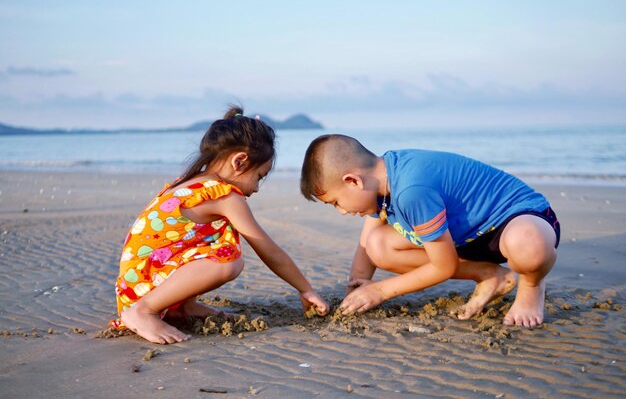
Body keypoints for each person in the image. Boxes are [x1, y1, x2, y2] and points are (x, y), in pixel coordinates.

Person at [111, 107, 329, 344]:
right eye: (259, 176)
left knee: (210, 241)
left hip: (137, 283)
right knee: (228, 261)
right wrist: (305, 288)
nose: (256, 188)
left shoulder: (189, 183)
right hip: (142, 293)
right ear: (240, 161)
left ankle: (181, 307)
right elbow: (268, 249)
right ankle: (144, 312)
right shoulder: (223, 196)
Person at [300, 134, 560, 327]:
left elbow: (443, 267)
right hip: (464, 237)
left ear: (353, 181)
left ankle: (532, 285)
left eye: (335, 202)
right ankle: (490, 275)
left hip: (514, 219)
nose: (342, 211)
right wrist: (355, 293)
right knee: (378, 244)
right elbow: (366, 243)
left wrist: (379, 290)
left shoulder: (412, 190)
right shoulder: (380, 178)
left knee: (527, 245)